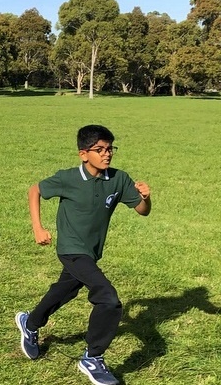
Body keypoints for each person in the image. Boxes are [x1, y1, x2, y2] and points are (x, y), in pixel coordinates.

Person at [14, 125, 152, 385]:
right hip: (71, 248)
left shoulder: (119, 179)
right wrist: (38, 227)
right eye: (99, 149)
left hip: (91, 252)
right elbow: (35, 190)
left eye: (110, 148)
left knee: (65, 290)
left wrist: (146, 197)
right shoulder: (69, 178)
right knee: (108, 299)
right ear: (83, 154)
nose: (107, 154)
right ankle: (93, 357)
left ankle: (29, 323)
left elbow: (142, 211)